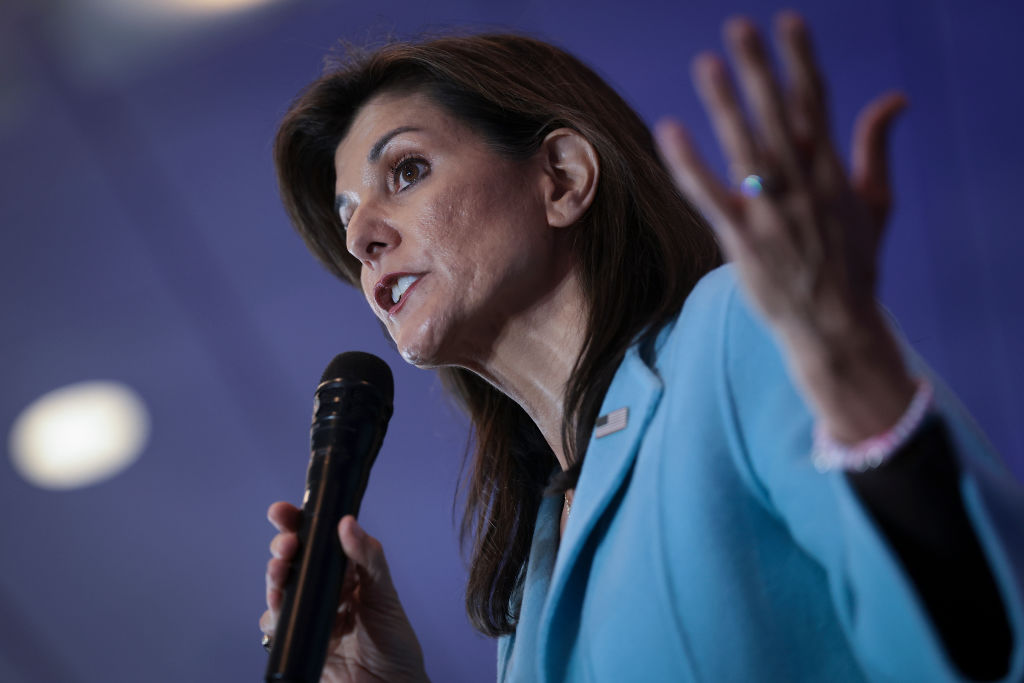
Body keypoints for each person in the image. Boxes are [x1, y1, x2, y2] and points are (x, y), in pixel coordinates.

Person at [260, 11, 1024, 682]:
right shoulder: (534, 573)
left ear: (561, 178)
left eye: (408, 170)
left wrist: (865, 398)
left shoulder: (732, 331)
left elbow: (989, 645)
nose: (360, 236)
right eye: (349, 213)